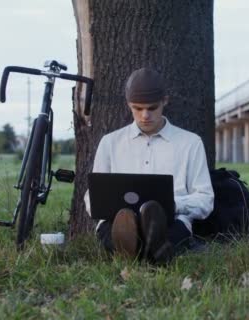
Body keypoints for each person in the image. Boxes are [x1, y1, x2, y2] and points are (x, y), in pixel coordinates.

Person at [84, 68, 214, 264]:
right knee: (116, 227)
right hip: (118, 221)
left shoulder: (190, 143)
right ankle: (150, 251)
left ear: (165, 101)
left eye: (152, 108)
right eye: (137, 108)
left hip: (171, 221)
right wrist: (104, 206)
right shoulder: (110, 142)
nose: (145, 115)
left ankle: (138, 250)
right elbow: (92, 195)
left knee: (169, 229)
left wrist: (173, 205)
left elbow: (205, 199)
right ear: (128, 105)